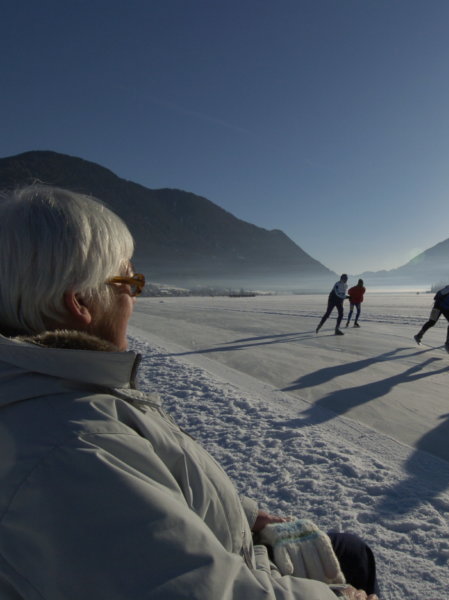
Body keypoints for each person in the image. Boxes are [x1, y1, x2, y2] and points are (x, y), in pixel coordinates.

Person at [0, 185, 379, 600]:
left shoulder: (71, 392)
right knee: (355, 560)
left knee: (353, 551)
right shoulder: (72, 448)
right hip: (240, 570)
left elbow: (168, 485)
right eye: (129, 281)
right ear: (80, 303)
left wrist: (250, 516)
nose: (134, 299)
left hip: (235, 545)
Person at [414, 276, 449, 347]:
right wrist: (439, 302)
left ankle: (448, 340)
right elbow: (438, 294)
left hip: (448, 308)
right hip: (438, 307)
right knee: (432, 322)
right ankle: (419, 335)